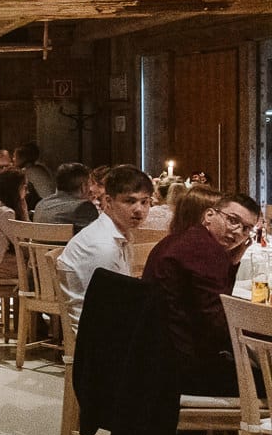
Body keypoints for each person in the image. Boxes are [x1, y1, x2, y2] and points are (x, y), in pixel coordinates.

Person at [146, 193, 262, 396]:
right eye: (232, 220)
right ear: (209, 215)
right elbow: (219, 324)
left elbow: (214, 307)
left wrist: (231, 263)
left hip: (158, 354)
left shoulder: (187, 239)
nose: (237, 231)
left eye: (246, 229)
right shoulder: (206, 251)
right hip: (182, 368)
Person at [57, 164, 153, 327]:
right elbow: (110, 307)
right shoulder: (103, 245)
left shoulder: (117, 233)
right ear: (108, 201)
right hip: (99, 333)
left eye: (145, 202)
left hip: (109, 323)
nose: (139, 209)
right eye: (130, 201)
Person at [32, 163, 99, 233]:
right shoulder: (84, 207)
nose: (91, 189)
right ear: (83, 187)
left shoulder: (41, 205)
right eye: (90, 184)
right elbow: (97, 235)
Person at [13, 142, 55, 210]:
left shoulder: (26, 172)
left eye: (15, 156)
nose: (13, 159)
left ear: (23, 158)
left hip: (44, 206)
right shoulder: (41, 167)